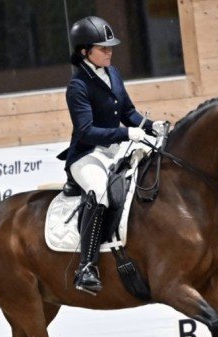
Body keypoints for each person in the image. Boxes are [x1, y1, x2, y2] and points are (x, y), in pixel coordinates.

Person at [63, 16, 166, 295]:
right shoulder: (78, 87)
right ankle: (87, 267)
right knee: (99, 192)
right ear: (85, 51)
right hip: (88, 154)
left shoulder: (113, 73)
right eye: (103, 48)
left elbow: (128, 113)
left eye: (110, 47)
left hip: (116, 149)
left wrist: (149, 126)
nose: (109, 51)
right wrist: (126, 134)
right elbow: (86, 132)